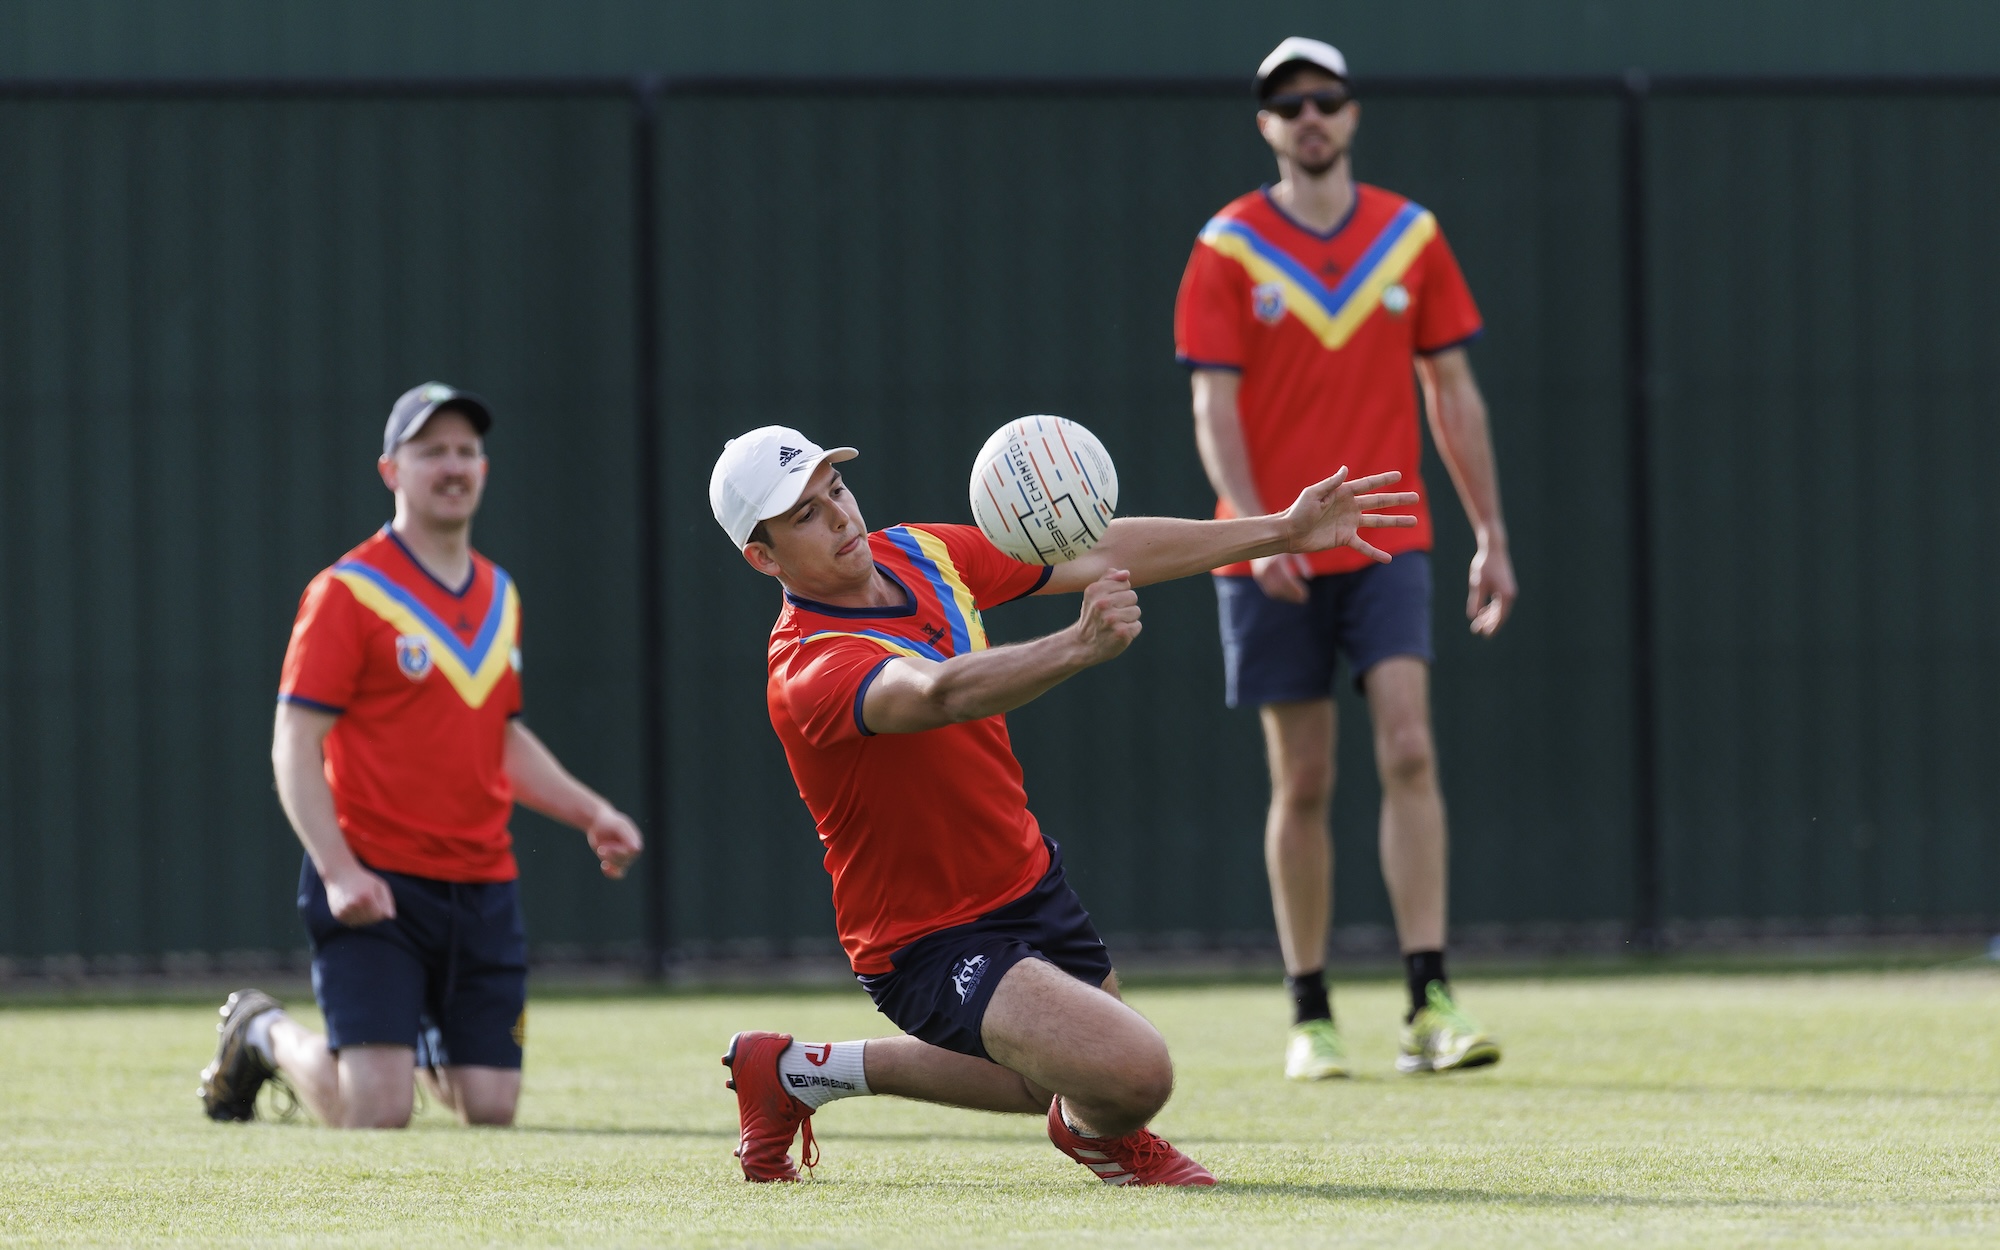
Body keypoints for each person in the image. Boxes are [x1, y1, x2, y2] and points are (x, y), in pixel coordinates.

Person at [708, 424, 1416, 1183]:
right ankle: (1102, 1139)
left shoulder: (920, 551)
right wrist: (1074, 647)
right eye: (806, 515)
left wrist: (1280, 530)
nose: (841, 516)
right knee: (1135, 1073)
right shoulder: (808, 664)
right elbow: (938, 692)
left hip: (1026, 878)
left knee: (1070, 1080)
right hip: (924, 937)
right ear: (764, 557)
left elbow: (1100, 548)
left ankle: (794, 1072)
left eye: (835, 490)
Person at [1173, 37, 1516, 1081]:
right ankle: (1309, 1010)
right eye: (1287, 103)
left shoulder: (1408, 236)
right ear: (1265, 124)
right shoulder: (1226, 247)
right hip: (1271, 544)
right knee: (1304, 775)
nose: (1309, 115)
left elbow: (1451, 391)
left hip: (1387, 536)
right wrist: (1252, 522)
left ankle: (1428, 1000)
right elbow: (1210, 405)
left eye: (1324, 98)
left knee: (1408, 745)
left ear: (1352, 114)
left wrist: (1489, 533)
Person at [197, 382, 645, 1128]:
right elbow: (294, 741)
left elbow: (498, 734)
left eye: (466, 450)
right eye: (430, 449)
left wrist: (591, 812)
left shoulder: (501, 593)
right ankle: (262, 1031)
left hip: (481, 884)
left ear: (485, 469)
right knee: (376, 1112)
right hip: (378, 881)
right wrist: (339, 870)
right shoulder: (347, 592)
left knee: (490, 1110)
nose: (452, 465)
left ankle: (421, 1033)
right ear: (391, 471)